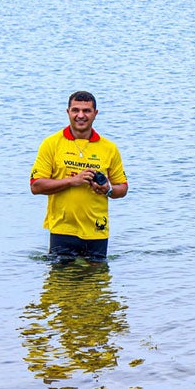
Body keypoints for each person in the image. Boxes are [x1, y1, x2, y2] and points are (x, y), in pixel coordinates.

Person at [30, 91, 127, 262]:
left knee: (97, 286)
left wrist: (108, 189)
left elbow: (123, 188)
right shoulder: (51, 144)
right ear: (68, 112)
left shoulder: (109, 148)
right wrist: (72, 181)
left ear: (95, 114)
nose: (80, 115)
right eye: (75, 110)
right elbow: (36, 186)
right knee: (61, 286)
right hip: (62, 229)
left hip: (97, 230)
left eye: (87, 111)